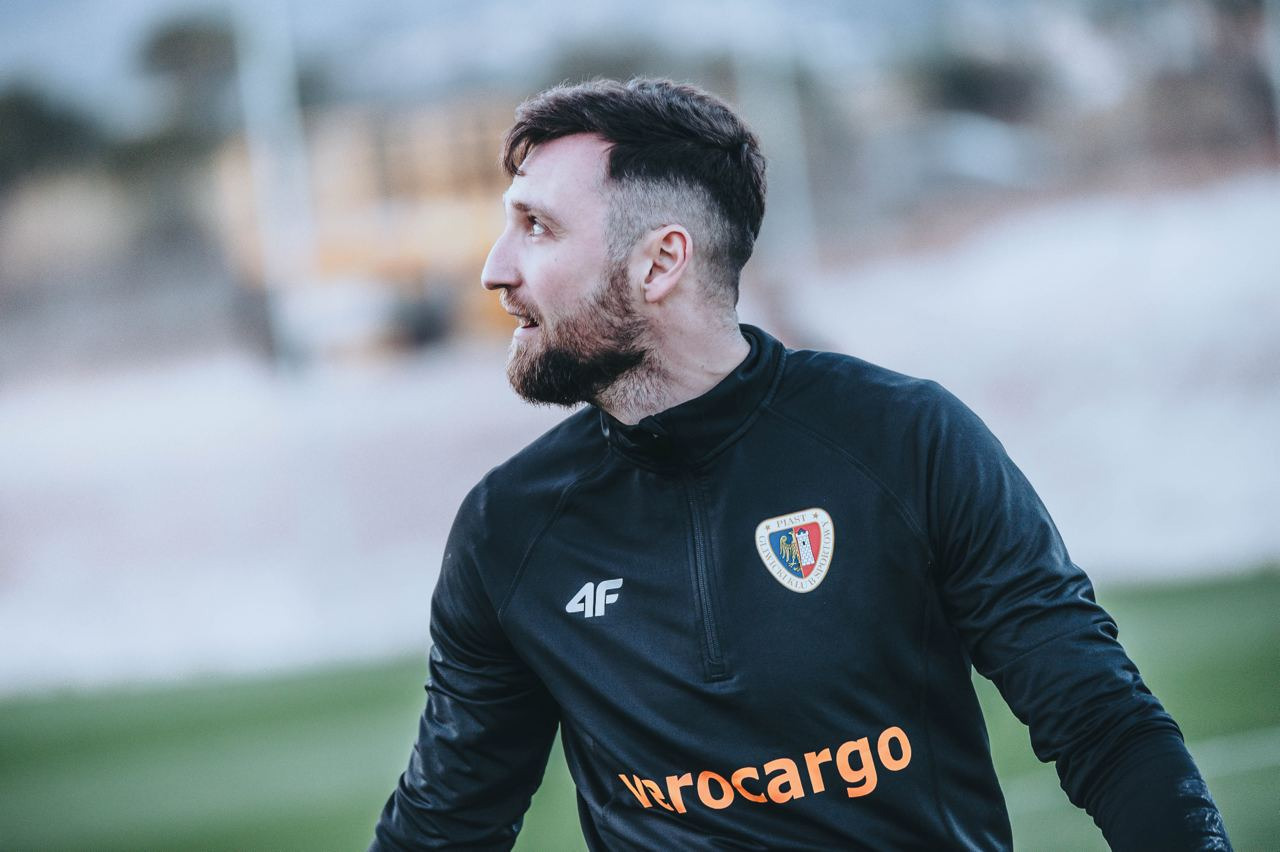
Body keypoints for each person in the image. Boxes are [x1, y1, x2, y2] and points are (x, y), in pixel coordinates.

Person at [370, 78, 1230, 850]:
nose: (495, 269)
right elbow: (444, 825)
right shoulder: (510, 527)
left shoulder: (905, 440)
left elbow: (1102, 723)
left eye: (537, 227)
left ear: (661, 261)